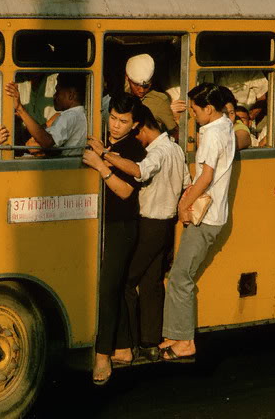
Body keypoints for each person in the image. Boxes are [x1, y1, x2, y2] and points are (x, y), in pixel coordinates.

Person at [99, 103, 191, 362]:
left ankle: (127, 346)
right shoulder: (175, 149)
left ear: (141, 128)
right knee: (151, 282)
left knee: (126, 282)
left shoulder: (157, 152)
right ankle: (150, 342)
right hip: (166, 225)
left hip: (149, 222)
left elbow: (140, 171)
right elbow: (186, 183)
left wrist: (106, 156)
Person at [159, 83, 235, 361]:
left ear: (209, 109)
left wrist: (184, 204)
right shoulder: (226, 125)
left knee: (180, 278)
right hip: (217, 216)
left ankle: (184, 342)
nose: (192, 114)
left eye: (194, 110)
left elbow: (205, 177)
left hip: (205, 218)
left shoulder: (212, 134)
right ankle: (175, 333)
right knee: (182, 276)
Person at [82, 93, 146, 385]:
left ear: (135, 125)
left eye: (123, 121)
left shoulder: (135, 149)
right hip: (103, 223)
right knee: (115, 286)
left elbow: (125, 191)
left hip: (123, 225)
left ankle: (102, 356)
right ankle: (123, 348)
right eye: (114, 118)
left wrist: (101, 164)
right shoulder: (104, 143)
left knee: (108, 288)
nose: (116, 125)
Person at [5, 73, 87, 156]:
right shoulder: (81, 114)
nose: (54, 96)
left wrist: (20, 109)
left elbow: (47, 142)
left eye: (57, 91)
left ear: (71, 95)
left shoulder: (70, 116)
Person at [124, 54, 178, 140]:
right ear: (127, 78)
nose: (141, 90)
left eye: (146, 86)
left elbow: (175, 132)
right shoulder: (122, 97)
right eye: (136, 85)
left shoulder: (160, 101)